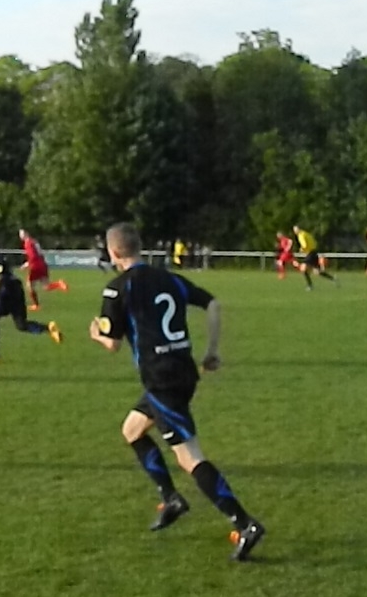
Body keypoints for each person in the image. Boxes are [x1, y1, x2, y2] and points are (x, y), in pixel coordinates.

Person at [89, 222, 265, 561]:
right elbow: (212, 304)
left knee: (189, 457)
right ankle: (171, 499)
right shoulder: (169, 278)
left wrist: (96, 333)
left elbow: (112, 344)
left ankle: (245, 524)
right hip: (182, 371)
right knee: (132, 430)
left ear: (112, 252)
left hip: (162, 379)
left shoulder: (117, 289)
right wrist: (211, 351)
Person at [0, 240, 62, 363]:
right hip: (16, 290)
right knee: (21, 325)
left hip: (7, 292)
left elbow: (2, 277)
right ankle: (49, 328)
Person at [18, 228, 68, 310]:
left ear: (26, 233)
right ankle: (59, 284)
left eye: (21, 234)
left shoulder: (28, 243)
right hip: (42, 264)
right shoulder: (34, 241)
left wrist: (26, 264)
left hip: (35, 266)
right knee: (46, 286)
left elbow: (32, 256)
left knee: (29, 285)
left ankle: (36, 305)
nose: (20, 236)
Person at [292, 225, 338, 290]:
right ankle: (333, 279)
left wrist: (301, 249)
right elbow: (314, 243)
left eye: (295, 230)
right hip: (313, 252)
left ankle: (310, 286)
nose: (295, 231)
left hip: (310, 253)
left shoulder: (300, 235)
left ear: (298, 229)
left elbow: (304, 245)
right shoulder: (306, 233)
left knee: (303, 268)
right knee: (317, 272)